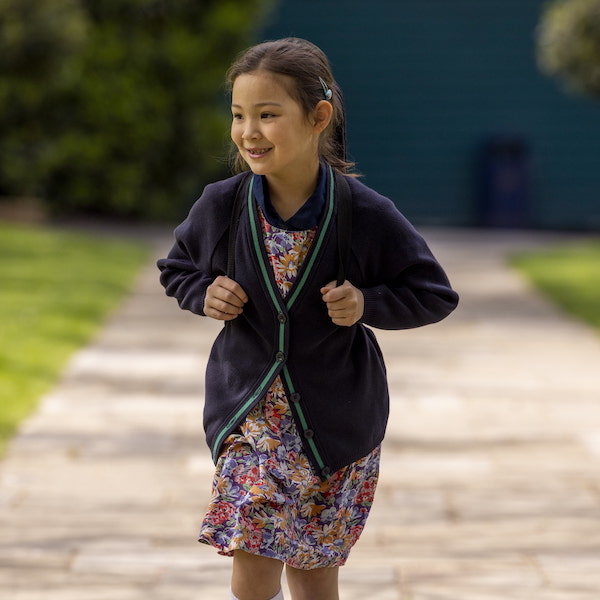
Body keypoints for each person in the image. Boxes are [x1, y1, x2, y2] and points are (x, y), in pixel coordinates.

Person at [157, 37, 458, 600]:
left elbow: (433, 293)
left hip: (337, 425)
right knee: (252, 563)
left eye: (268, 115)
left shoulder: (365, 213)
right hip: (249, 418)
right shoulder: (221, 206)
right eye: (238, 115)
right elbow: (176, 269)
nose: (248, 131)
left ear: (318, 117)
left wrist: (368, 304)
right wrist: (204, 292)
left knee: (315, 578)